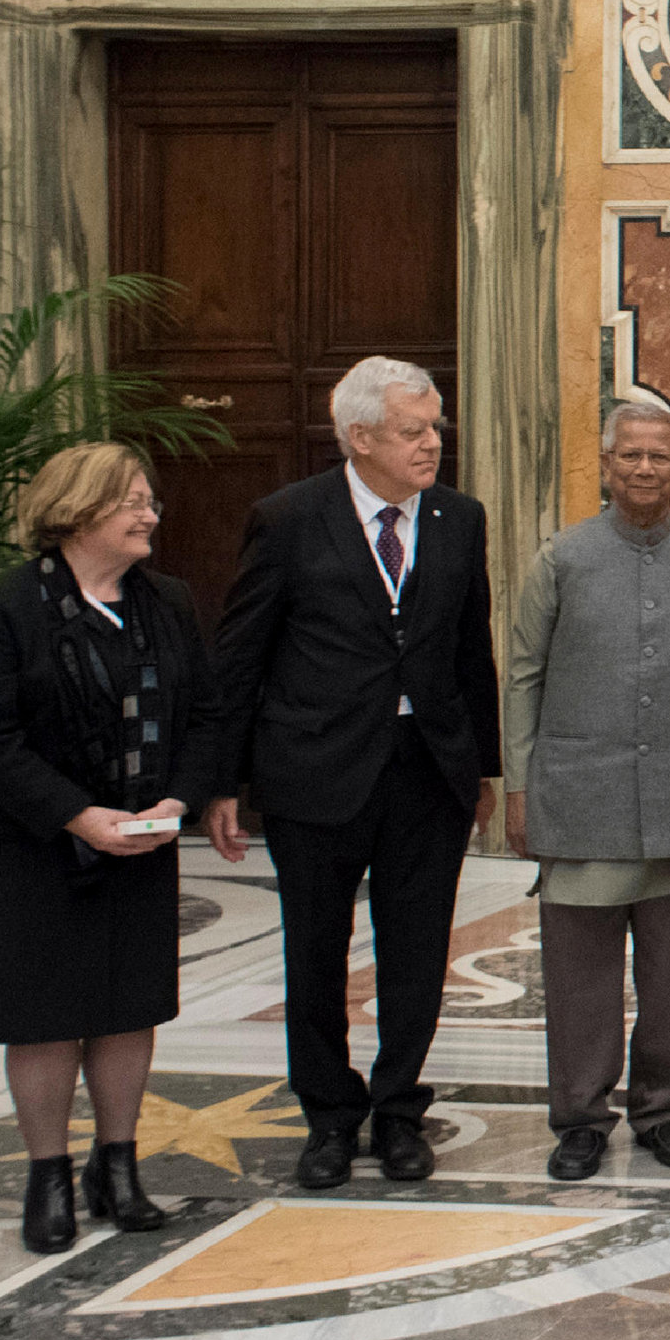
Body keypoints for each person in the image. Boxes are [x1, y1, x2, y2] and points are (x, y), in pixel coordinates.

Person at [202, 357, 501, 1192]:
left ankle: (400, 1110)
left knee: (417, 954)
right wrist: (221, 781)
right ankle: (330, 1116)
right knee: (315, 954)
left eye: (436, 427)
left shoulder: (458, 518)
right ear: (360, 437)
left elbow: (469, 650)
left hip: (427, 773)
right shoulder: (289, 519)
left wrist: (483, 768)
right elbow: (241, 656)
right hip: (314, 772)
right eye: (413, 430)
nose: (432, 443)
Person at [0, 446, 220, 1253]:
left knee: (130, 1007)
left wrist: (180, 800)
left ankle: (118, 1166)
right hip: (29, 845)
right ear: (75, 510)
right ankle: (49, 1176)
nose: (149, 515)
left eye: (149, 501)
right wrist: (75, 815)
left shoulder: (167, 601)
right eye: (131, 501)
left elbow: (206, 715)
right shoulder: (2, 606)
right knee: (43, 1016)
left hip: (140, 840)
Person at [503, 399, 670, 1183]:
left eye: (660, 457)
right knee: (579, 980)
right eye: (630, 455)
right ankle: (579, 1118)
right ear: (606, 464)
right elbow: (525, 675)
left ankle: (664, 1112)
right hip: (581, 797)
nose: (645, 469)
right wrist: (519, 785)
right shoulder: (562, 557)